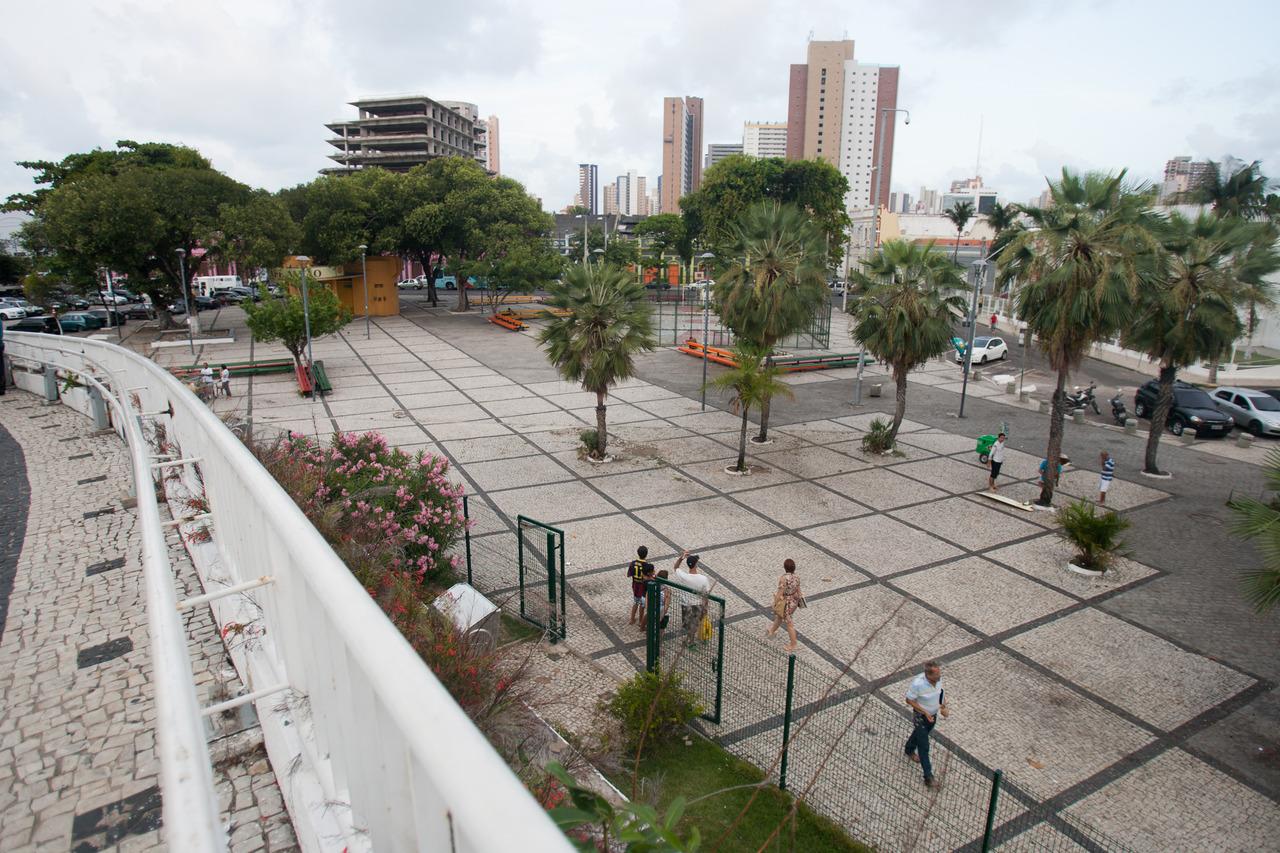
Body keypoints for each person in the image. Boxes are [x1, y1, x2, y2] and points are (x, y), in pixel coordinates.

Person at [904, 660, 950, 788]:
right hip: (921, 717)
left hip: (932, 716)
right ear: (928, 675)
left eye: (939, 673)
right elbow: (909, 700)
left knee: (919, 735)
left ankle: (909, 748)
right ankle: (928, 777)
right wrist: (924, 712)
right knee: (924, 746)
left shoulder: (938, 680)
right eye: (936, 675)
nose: (939, 676)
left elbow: (941, 692)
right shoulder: (918, 684)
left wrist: (944, 705)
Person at [765, 558, 804, 652]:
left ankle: (793, 644)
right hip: (794, 602)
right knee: (779, 616)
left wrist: (774, 603)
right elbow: (799, 591)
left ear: (785, 567)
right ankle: (772, 631)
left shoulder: (784, 578)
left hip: (787, 603)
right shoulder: (797, 577)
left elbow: (780, 592)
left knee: (789, 623)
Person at [673, 551, 710, 643]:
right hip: (698, 605)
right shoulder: (703, 579)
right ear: (696, 565)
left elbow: (676, 567)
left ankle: (691, 640)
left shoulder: (683, 576)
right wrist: (705, 608)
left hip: (686, 604)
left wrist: (682, 557)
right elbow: (706, 596)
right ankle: (697, 639)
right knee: (696, 623)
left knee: (688, 624)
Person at [626, 546, 655, 626]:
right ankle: (640, 621)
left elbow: (629, 574)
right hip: (643, 586)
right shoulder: (646, 565)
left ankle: (632, 619)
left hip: (635, 585)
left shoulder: (633, 563)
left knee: (635, 602)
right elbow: (651, 575)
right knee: (642, 604)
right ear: (646, 554)